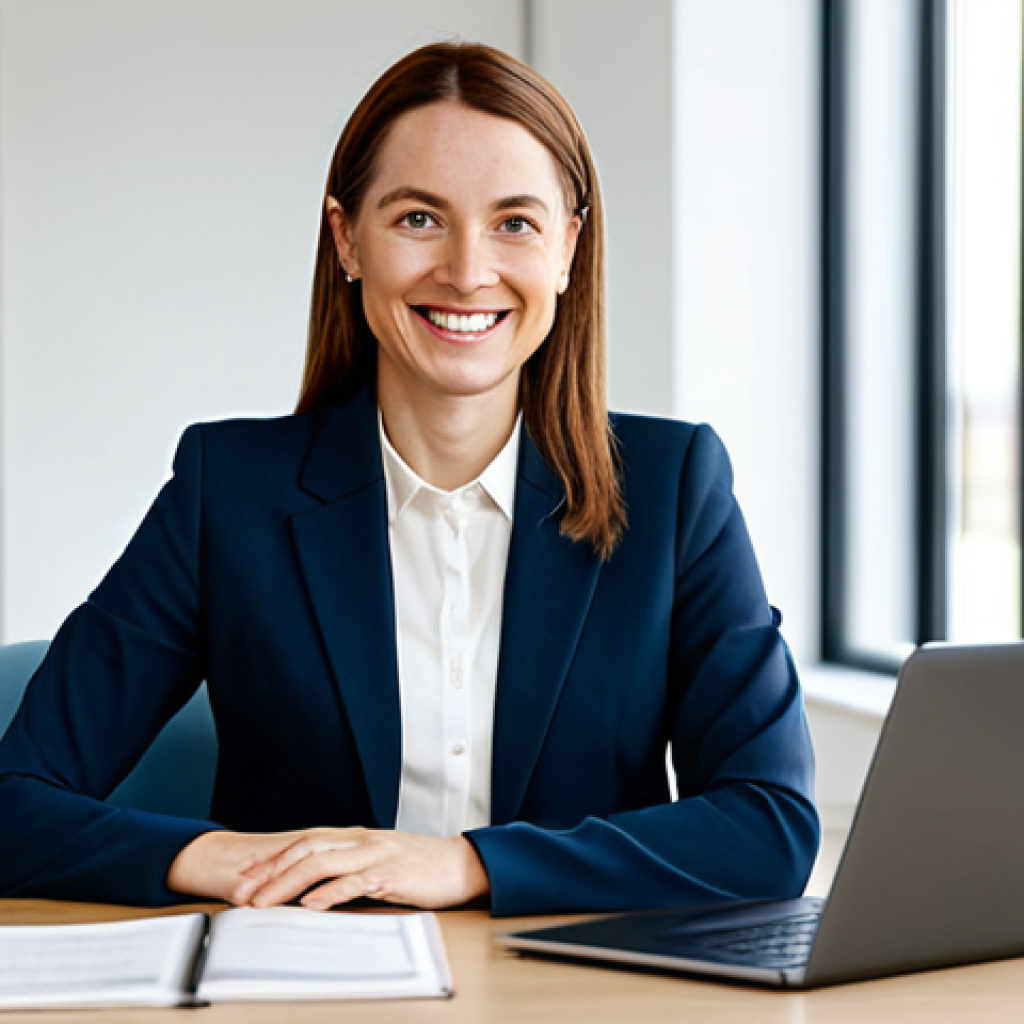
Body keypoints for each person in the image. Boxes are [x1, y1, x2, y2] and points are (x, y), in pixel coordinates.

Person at [0, 42, 818, 916]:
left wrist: (470, 865)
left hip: (575, 996)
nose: (467, 271)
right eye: (418, 218)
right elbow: (16, 805)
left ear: (568, 249)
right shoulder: (227, 492)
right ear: (348, 238)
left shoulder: (673, 490)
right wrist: (226, 860)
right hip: (305, 989)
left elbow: (769, 825)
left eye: (515, 223)